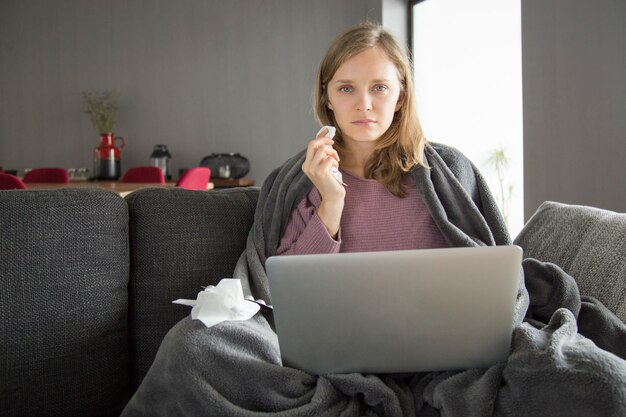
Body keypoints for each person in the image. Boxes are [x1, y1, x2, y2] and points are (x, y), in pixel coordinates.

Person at [122, 22, 626, 417]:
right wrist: (331, 203)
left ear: (401, 94)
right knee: (193, 345)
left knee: (593, 378)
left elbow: (495, 275)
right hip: (319, 362)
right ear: (327, 96)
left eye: (380, 88)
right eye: (346, 88)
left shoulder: (449, 172)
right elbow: (276, 296)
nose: (364, 104)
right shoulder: (297, 181)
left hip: (448, 358)